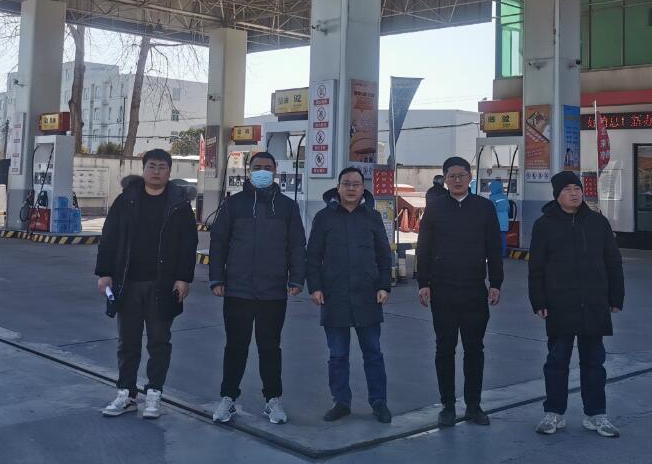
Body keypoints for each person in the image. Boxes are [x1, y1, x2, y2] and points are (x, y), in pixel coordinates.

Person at [95, 148, 198, 419]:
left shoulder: (179, 205)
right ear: (143, 169)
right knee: (127, 342)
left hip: (162, 284)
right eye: (152, 166)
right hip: (127, 282)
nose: (156, 172)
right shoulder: (126, 200)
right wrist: (104, 273)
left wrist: (183, 278)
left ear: (169, 172)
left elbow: (188, 244)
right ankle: (126, 394)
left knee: (159, 341)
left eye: (162, 167)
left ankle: (154, 394)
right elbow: (109, 237)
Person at [209, 151, 307, 425]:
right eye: (257, 167)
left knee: (270, 348)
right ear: (249, 171)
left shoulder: (287, 207)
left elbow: (297, 245)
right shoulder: (233, 205)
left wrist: (296, 279)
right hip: (237, 290)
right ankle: (228, 398)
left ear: (275, 171)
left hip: (272, 292)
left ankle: (272, 399)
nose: (262, 171)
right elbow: (218, 243)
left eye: (267, 167)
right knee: (235, 347)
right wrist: (217, 278)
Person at [528, 171, 625, 438]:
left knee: (594, 361)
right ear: (557, 194)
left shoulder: (597, 222)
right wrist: (538, 300)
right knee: (557, 360)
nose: (574, 193)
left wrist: (616, 296)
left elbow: (613, 261)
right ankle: (554, 413)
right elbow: (536, 267)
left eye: (577, 188)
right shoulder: (544, 225)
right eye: (568, 189)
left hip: (593, 302)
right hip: (559, 302)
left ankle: (596, 415)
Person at [416, 156, 504, 428]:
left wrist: (496, 283)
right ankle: (448, 406)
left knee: (474, 348)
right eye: (451, 176)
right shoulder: (435, 208)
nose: (457, 180)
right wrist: (423, 283)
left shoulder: (484, 208)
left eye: (462, 175)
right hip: (442, 289)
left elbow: (494, 248)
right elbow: (424, 247)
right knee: (445, 348)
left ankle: (474, 406)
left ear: (470, 177)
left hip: (474, 290)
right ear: (444, 179)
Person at [306, 167, 395, 424]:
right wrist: (315, 287)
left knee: (373, 353)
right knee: (338, 355)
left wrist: (384, 286)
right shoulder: (324, 217)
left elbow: (384, 256)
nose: (352, 188)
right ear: (338, 187)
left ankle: (379, 402)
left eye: (356, 184)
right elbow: (312, 256)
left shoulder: (372, 217)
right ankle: (341, 402)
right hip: (334, 296)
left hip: (368, 296)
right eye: (347, 183)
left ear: (363, 188)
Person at [488, 177, 509, 252]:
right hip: (504, 220)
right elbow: (508, 208)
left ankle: (495, 252)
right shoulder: (505, 197)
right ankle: (503, 252)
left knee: (494, 238)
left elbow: (491, 210)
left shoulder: (492, 197)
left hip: (496, 220)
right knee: (503, 238)